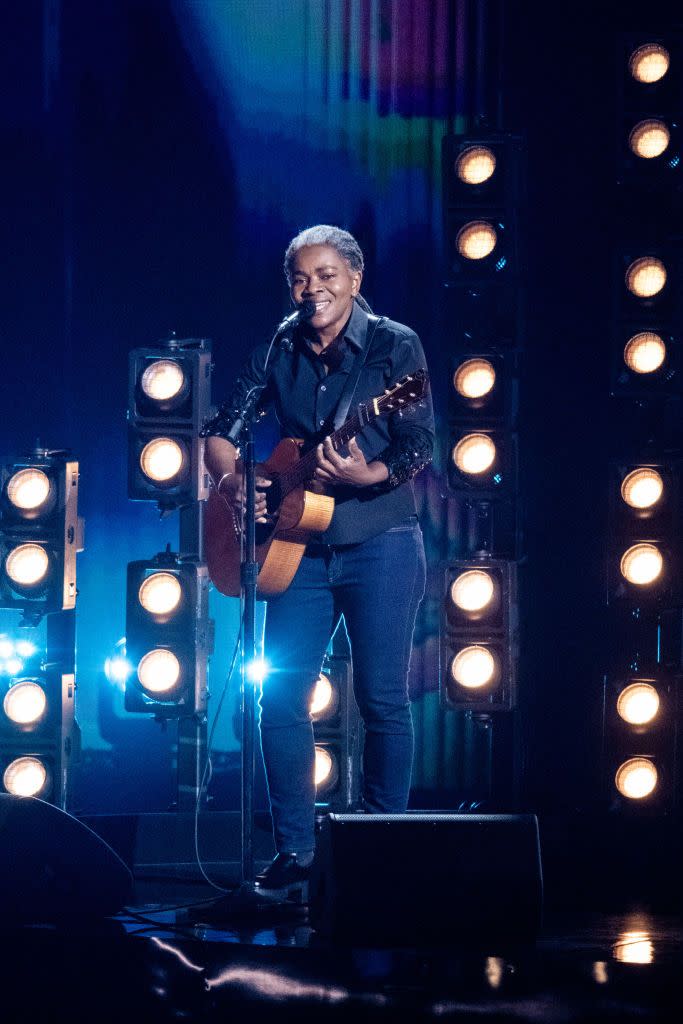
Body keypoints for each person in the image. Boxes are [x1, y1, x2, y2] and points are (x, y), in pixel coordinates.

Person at [202, 225, 434, 894]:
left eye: (327, 274)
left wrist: (366, 477)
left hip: (380, 542)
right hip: (295, 546)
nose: (314, 288)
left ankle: (384, 842)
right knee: (279, 696)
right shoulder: (280, 343)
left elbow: (417, 445)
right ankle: (296, 851)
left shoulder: (395, 347)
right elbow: (226, 430)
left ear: (355, 278)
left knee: (380, 698)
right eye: (302, 277)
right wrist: (233, 481)